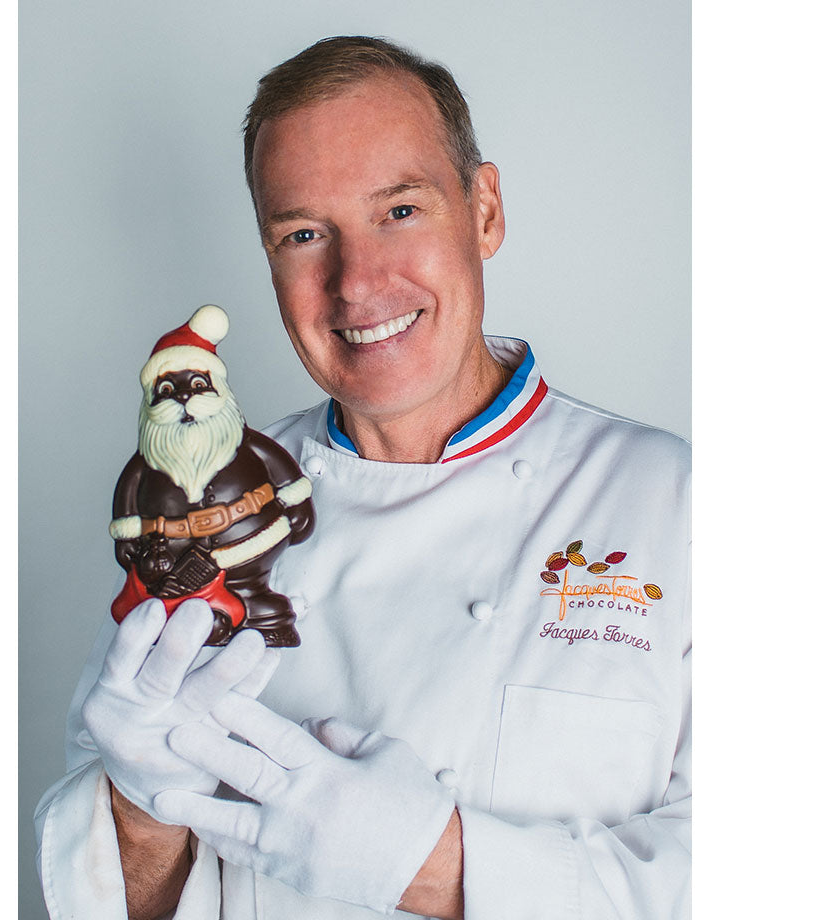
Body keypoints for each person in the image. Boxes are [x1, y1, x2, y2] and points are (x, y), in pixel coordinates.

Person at [35, 36, 690, 920]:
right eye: (304, 233)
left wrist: (432, 865)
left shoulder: (679, 503)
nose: (356, 283)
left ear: (485, 210)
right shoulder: (209, 513)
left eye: (400, 211)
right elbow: (118, 901)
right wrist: (143, 815)